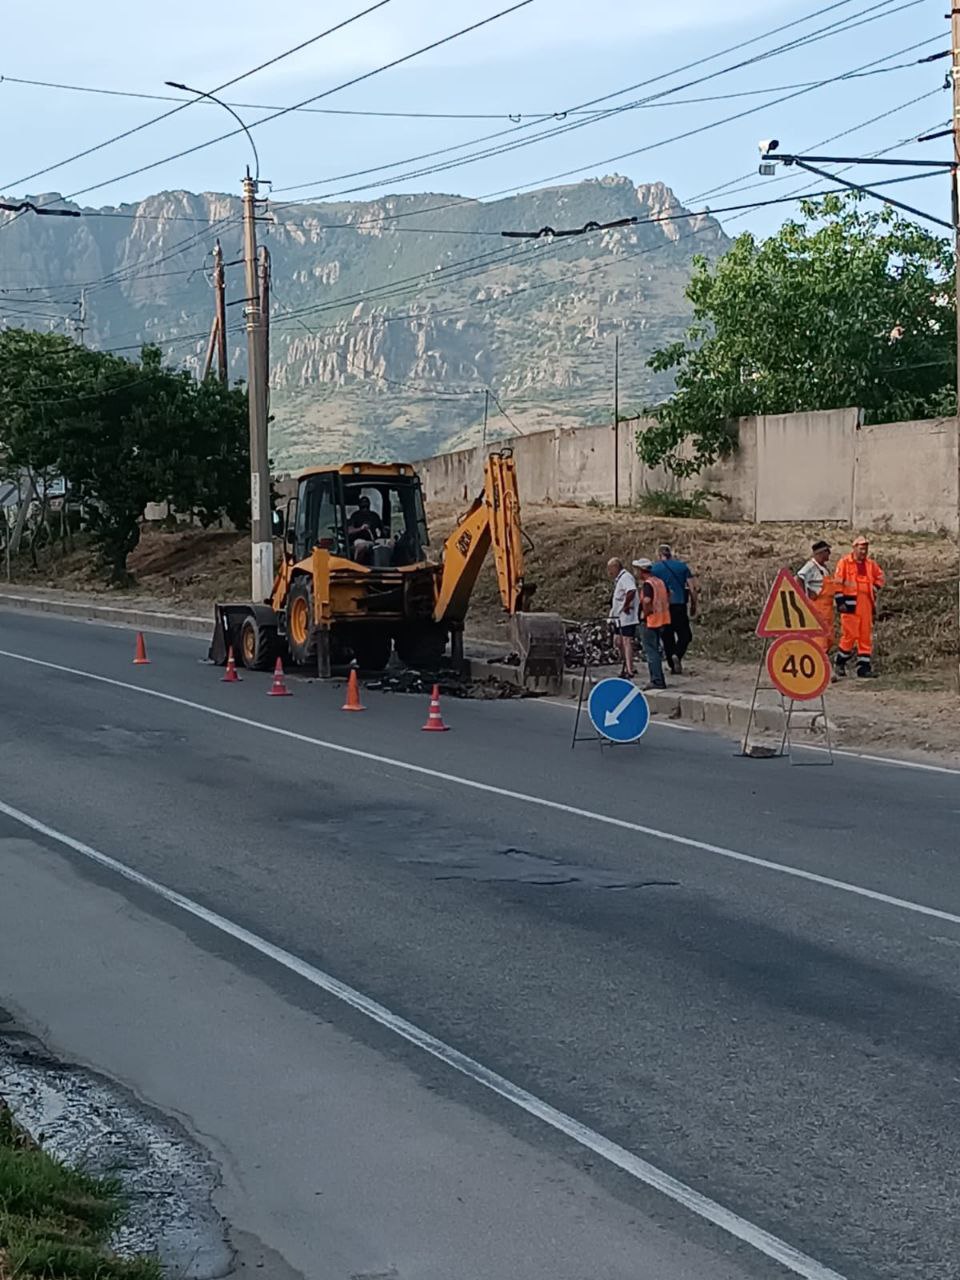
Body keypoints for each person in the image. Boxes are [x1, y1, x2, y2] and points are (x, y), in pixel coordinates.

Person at [833, 535, 885, 678]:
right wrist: (840, 602)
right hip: (849, 605)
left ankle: (863, 668)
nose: (864, 552)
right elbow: (837, 583)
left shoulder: (870, 564)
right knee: (850, 635)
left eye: (866, 549)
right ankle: (840, 663)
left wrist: (875, 587)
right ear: (854, 548)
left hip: (866, 604)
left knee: (865, 637)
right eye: (861, 549)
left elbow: (880, 576)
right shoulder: (844, 563)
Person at [651, 543, 698, 675]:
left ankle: (673, 665)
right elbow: (693, 588)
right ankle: (677, 654)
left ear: (659, 555)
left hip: (663, 607)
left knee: (667, 636)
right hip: (679, 605)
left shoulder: (654, 569)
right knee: (685, 635)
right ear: (670, 553)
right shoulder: (682, 567)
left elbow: (651, 588)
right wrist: (694, 605)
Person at [632, 558, 670, 690]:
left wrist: (645, 613)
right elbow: (668, 595)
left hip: (650, 621)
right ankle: (659, 678)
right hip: (662, 620)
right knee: (656, 650)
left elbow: (647, 601)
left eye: (636, 570)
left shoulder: (648, 584)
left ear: (642, 571)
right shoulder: (659, 582)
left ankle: (657, 680)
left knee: (651, 651)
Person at [797, 539, 836, 653]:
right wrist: (806, 594)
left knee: (829, 638)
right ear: (821, 553)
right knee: (820, 639)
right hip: (817, 608)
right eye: (827, 551)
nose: (829, 553)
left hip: (826, 610)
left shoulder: (823, 567)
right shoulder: (811, 566)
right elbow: (799, 578)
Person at [606, 557, 639, 678]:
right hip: (618, 617)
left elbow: (631, 591)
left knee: (626, 641)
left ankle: (629, 669)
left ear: (616, 568)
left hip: (627, 617)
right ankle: (626, 663)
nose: (609, 573)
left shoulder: (626, 577)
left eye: (610, 569)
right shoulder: (619, 579)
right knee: (618, 641)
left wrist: (626, 605)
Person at [347, 494, 385, 563]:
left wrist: (384, 532)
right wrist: (361, 528)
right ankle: (357, 566)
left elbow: (383, 531)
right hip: (359, 540)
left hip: (374, 541)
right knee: (362, 547)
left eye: (367, 507)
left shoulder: (374, 516)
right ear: (359, 506)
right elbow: (349, 531)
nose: (365, 509)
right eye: (363, 507)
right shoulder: (355, 516)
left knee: (390, 544)